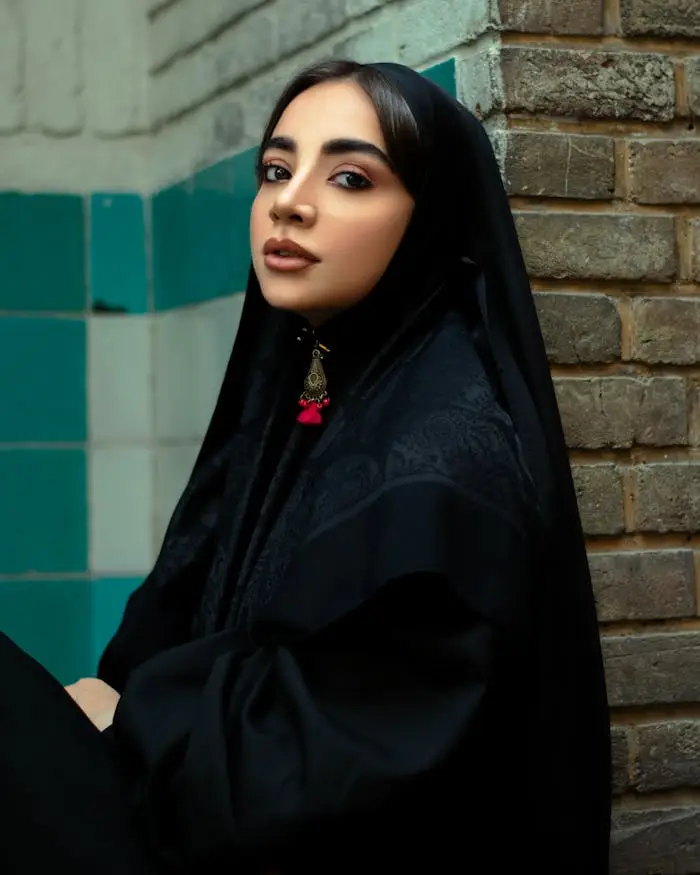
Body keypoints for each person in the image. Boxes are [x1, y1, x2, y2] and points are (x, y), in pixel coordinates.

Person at [0, 60, 611, 873]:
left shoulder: (443, 459)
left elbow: (345, 756)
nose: (289, 201)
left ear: (428, 217)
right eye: (276, 170)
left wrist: (136, 711)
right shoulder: (313, 380)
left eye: (352, 176)